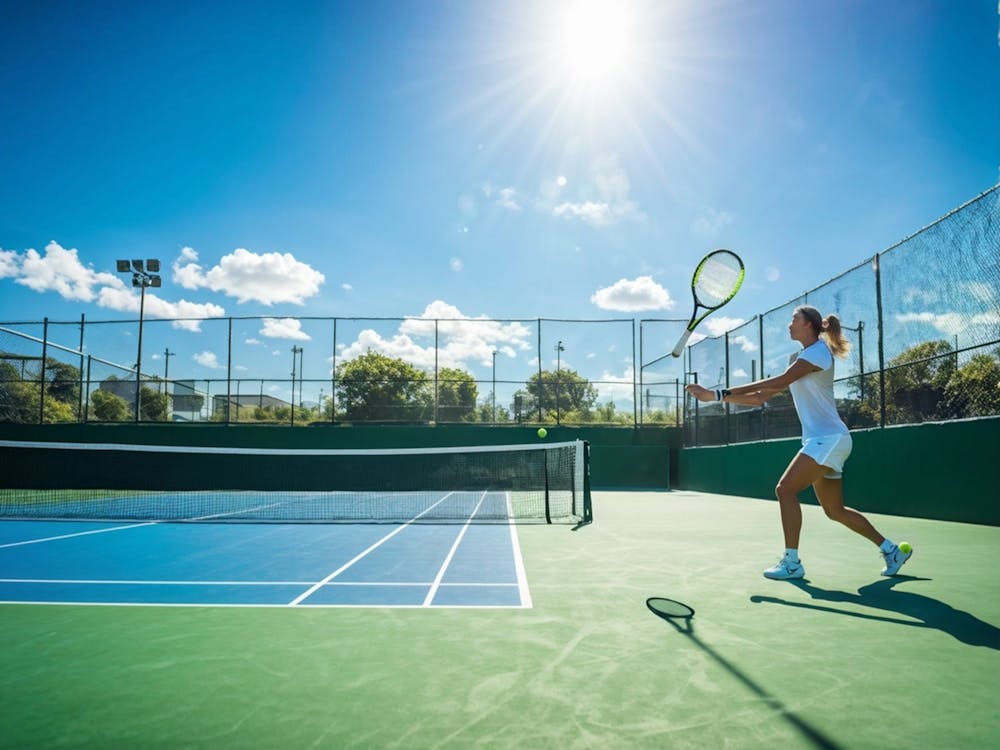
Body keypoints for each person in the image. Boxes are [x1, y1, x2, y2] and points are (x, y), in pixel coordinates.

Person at [686, 305, 913, 579]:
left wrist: (717, 391)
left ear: (809, 324)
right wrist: (717, 398)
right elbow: (761, 397)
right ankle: (892, 550)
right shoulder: (800, 356)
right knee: (834, 510)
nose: (789, 324)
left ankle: (792, 563)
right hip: (827, 440)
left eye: (794, 319)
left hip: (828, 438)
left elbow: (781, 380)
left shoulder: (818, 351)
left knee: (785, 490)